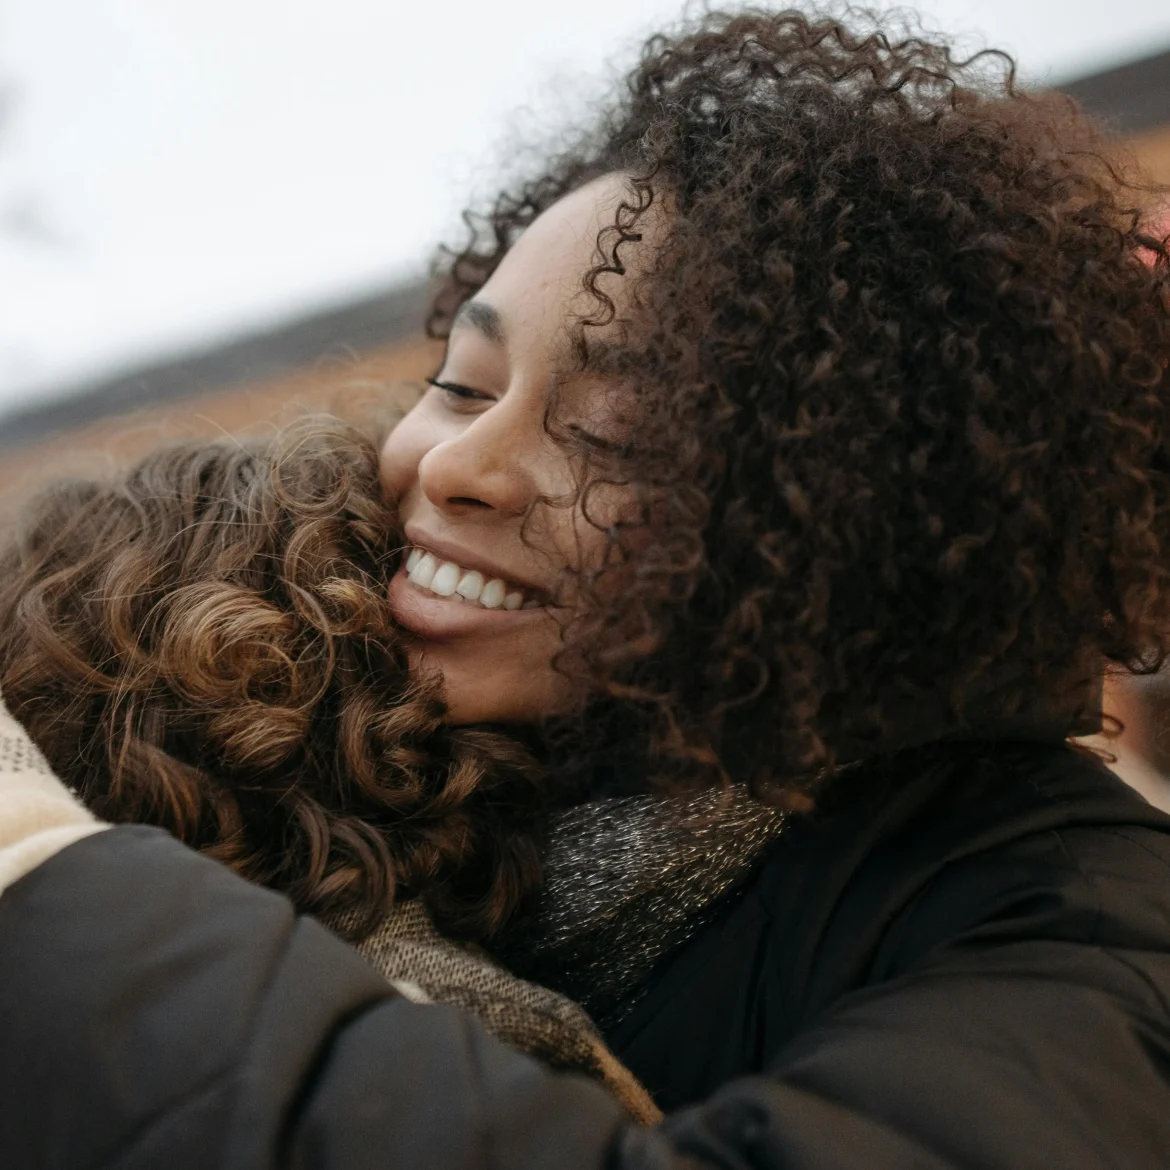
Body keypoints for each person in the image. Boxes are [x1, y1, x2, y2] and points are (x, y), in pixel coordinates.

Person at [3, 8, 1170, 1167]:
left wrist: (42, 875)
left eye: (615, 433)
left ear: (857, 510)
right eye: (462, 384)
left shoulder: (1090, 929)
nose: (456, 466)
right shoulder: (393, 779)